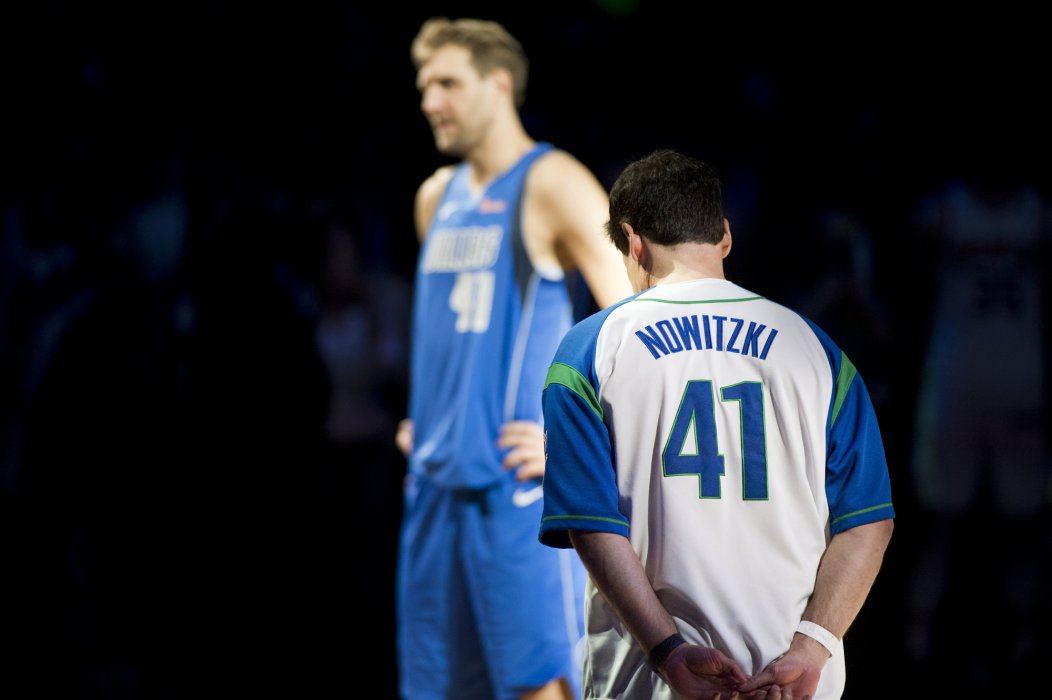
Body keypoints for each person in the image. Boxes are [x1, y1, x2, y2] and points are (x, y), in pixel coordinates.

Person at [538, 149, 895, 700]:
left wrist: (669, 652)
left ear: (633, 243)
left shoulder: (588, 352)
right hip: (792, 683)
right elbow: (868, 522)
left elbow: (592, 526)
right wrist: (812, 646)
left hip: (651, 684)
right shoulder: (817, 350)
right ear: (724, 237)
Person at [395, 16, 634, 700]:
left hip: (514, 492)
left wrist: (579, 438)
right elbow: (450, 336)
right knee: (436, 687)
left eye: (446, 82)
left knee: (539, 688)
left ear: (498, 85)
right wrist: (430, 418)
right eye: (422, 85)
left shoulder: (552, 181)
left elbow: (635, 318)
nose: (428, 101)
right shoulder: (433, 198)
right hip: (433, 489)